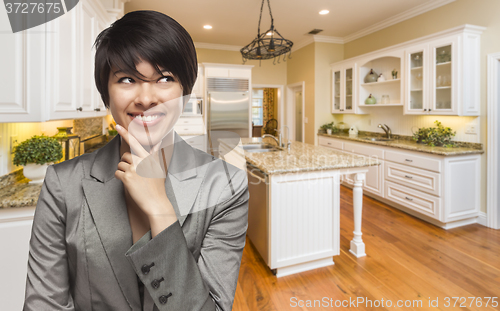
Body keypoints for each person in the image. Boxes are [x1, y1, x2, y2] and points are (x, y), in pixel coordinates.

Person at [23, 10, 249, 311]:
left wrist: (160, 209)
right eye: (127, 79)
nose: (145, 98)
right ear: (107, 91)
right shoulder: (62, 184)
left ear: (184, 90)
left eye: (165, 78)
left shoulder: (226, 185)